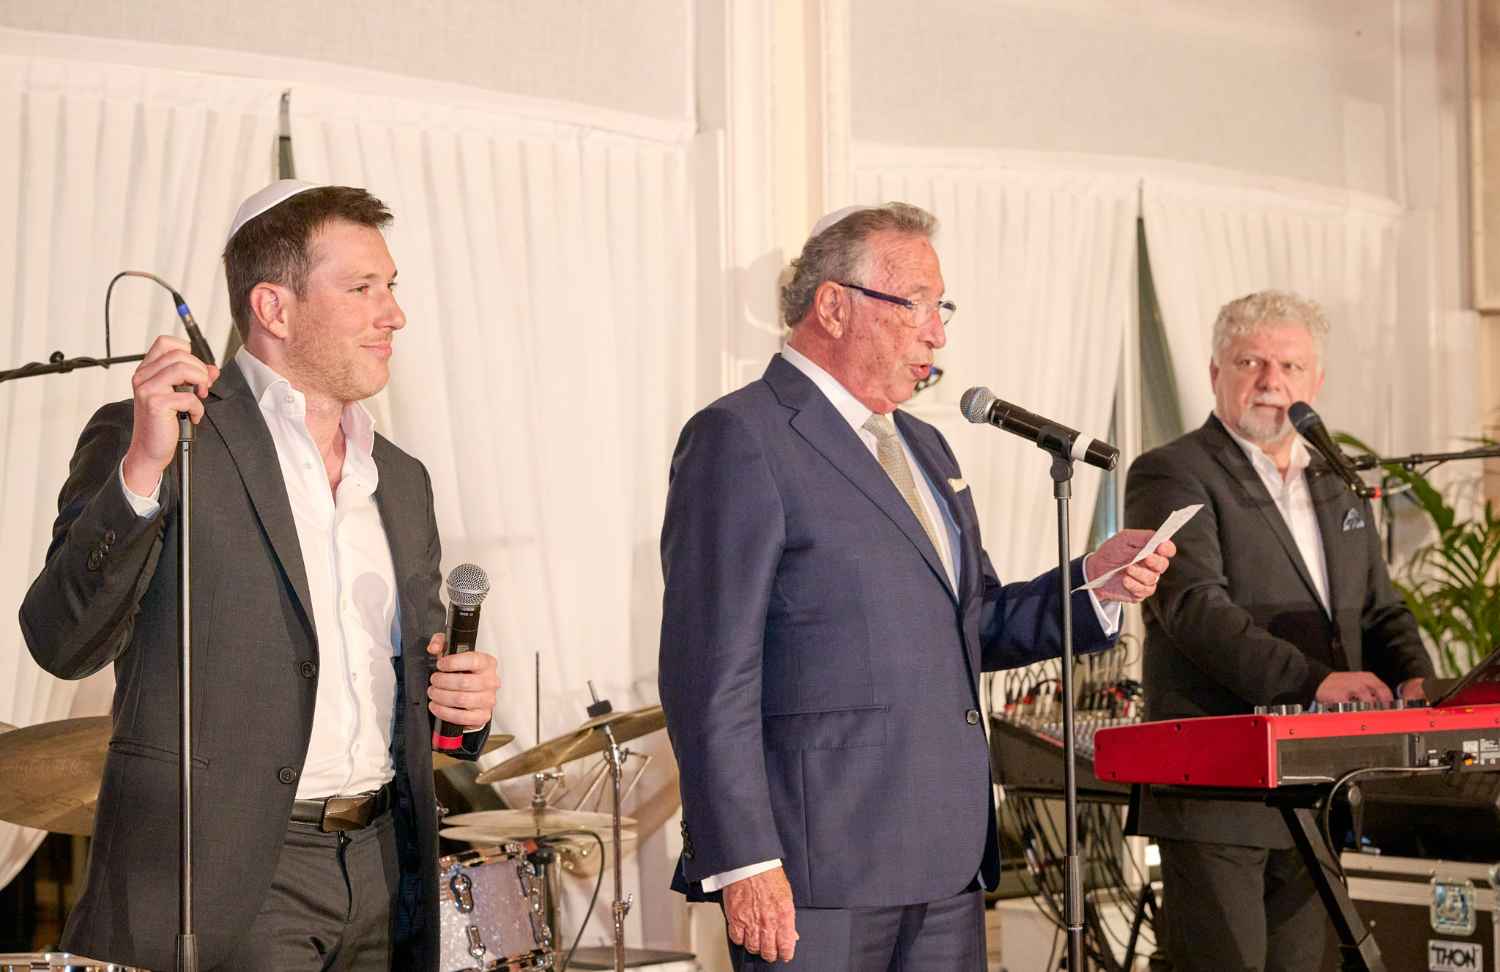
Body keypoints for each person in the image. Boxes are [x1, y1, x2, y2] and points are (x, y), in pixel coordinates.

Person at [657, 202, 1175, 970]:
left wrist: (1094, 583)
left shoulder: (927, 447)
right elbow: (709, 672)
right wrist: (744, 860)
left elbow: (973, 622)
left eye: (942, 308)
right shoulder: (742, 435)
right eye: (918, 305)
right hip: (815, 870)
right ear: (834, 306)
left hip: (945, 865)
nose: (938, 334)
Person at [19, 180, 501, 971]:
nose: (394, 314)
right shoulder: (166, 437)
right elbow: (61, 642)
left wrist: (462, 701)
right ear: (274, 308)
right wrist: (142, 470)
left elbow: (417, 670)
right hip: (229, 876)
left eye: (391, 286)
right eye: (363, 288)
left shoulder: (401, 477)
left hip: (387, 870)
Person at [1124, 289, 1433, 972]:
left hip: (1321, 786)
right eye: (1251, 362)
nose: (1272, 381)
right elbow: (1195, 608)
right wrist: (1314, 682)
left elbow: (1379, 609)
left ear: (1315, 382)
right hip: (1216, 791)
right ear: (1215, 373)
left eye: (1290, 366)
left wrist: (1416, 676)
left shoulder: (1338, 481)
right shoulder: (1171, 471)